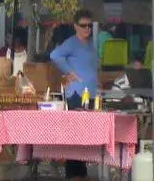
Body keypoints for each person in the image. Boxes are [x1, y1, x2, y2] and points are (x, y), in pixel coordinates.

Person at [50, 9, 99, 181]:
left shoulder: (91, 45)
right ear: (75, 26)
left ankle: (81, 172)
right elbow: (54, 55)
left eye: (90, 26)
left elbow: (91, 67)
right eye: (84, 26)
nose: (87, 29)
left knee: (84, 136)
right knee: (75, 135)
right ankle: (73, 174)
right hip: (76, 94)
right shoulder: (71, 43)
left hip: (90, 94)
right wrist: (69, 72)